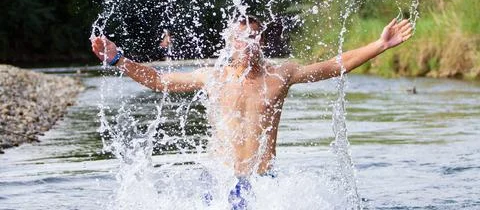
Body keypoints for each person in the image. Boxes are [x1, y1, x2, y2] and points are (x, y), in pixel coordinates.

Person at [91, 15, 413, 208]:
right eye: (240, 36)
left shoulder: (280, 76)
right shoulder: (212, 77)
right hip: (218, 183)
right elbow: (159, 80)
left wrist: (380, 45)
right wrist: (118, 59)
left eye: (253, 36)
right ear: (229, 41)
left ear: (262, 41)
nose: (247, 41)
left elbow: (333, 66)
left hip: (263, 184)